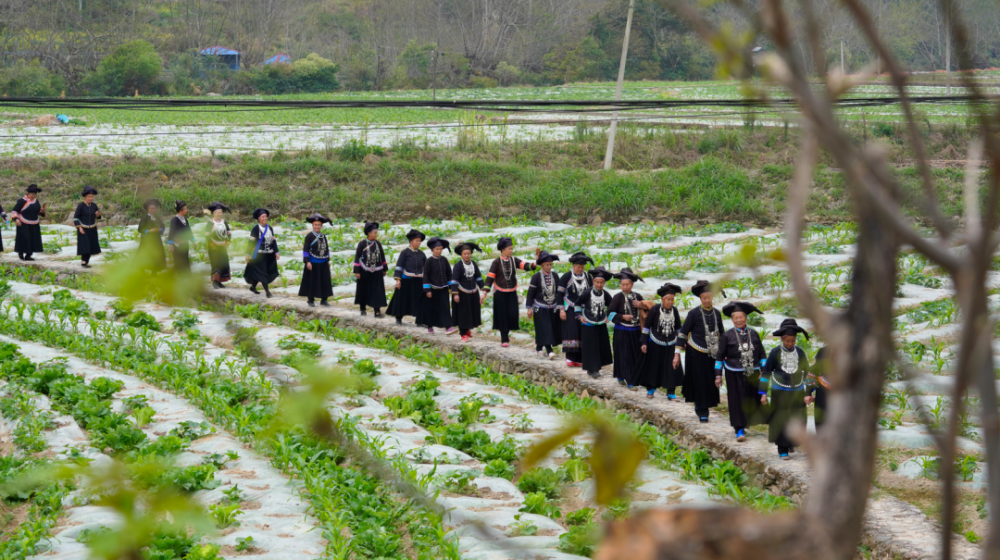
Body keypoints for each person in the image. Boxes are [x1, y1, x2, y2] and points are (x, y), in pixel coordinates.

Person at [760, 319, 812, 458]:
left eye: (792, 341)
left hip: (797, 392)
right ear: (782, 339)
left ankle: (791, 442)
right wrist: (763, 393)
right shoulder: (775, 353)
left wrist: (809, 392)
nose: (790, 343)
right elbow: (766, 373)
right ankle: (782, 449)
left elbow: (807, 372)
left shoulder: (800, 353)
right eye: (787, 341)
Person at [717, 301, 767, 442]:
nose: (739, 320)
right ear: (732, 319)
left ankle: (749, 423)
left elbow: (762, 353)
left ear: (746, 318)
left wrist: (764, 370)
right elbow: (719, 356)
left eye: (741, 317)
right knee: (736, 400)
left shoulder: (754, 334)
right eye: (736, 318)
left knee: (752, 398)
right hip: (734, 372)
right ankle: (739, 429)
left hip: (753, 371)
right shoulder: (727, 336)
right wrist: (718, 375)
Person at [677, 280, 724, 423]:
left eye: (709, 297)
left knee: (710, 379)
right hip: (695, 351)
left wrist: (725, 351)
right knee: (699, 380)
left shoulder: (717, 313)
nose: (707, 300)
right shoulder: (693, 313)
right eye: (704, 298)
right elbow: (683, 332)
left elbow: (722, 333)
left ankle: (706, 404)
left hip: (712, 352)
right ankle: (701, 408)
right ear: (700, 299)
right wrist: (677, 352)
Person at [482, 237, 537, 347]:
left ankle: (506, 334)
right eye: (509, 249)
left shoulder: (514, 260)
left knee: (512, 314)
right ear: (503, 249)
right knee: (502, 315)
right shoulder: (496, 262)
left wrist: (535, 263)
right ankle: (504, 339)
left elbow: (526, 266)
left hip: (511, 291)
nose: (511, 251)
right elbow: (490, 277)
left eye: (512, 248)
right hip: (500, 292)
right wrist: (485, 292)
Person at [636, 283, 684, 400]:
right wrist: (644, 342)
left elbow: (678, 328)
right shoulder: (654, 310)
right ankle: (651, 390)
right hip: (655, 343)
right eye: (668, 299)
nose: (671, 302)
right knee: (653, 367)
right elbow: (647, 327)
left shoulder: (674, 311)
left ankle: (671, 392)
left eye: (672, 299)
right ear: (662, 299)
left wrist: (682, 342)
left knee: (672, 367)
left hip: (671, 343)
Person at [575, 266, 614, 379]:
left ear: (604, 283)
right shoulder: (587, 292)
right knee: (590, 347)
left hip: (600, 323)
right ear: (593, 282)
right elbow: (577, 304)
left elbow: (612, 306)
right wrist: (579, 316)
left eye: (601, 282)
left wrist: (609, 317)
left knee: (599, 346)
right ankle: (592, 369)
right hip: (588, 323)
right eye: (597, 282)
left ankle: (596, 367)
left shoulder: (605, 294)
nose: (599, 285)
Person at [610, 267, 645, 389]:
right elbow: (609, 313)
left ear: (632, 284)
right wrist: (622, 316)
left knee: (634, 355)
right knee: (623, 354)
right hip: (622, 331)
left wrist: (642, 305)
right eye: (623, 284)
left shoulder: (638, 296)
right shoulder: (617, 297)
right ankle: (627, 379)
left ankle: (631, 377)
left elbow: (647, 311)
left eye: (627, 284)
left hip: (635, 331)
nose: (625, 287)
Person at [526, 251, 563, 359]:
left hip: (553, 307)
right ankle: (549, 350)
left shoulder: (555, 276)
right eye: (547, 265)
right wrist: (529, 308)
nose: (549, 267)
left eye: (551, 264)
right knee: (545, 328)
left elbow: (559, 292)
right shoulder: (536, 277)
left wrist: (561, 306)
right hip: (540, 307)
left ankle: (539, 348)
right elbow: (531, 293)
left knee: (549, 328)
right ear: (542, 265)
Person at [559, 252, 593, 367]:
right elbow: (559, 294)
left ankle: (579, 359)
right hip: (570, 308)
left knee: (581, 332)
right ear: (573, 266)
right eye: (578, 267)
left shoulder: (587, 277)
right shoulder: (566, 277)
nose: (580, 269)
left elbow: (591, 293)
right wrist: (561, 310)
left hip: (583, 309)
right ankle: (570, 357)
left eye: (582, 267)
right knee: (571, 331)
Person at [388, 229, 427, 325]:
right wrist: (398, 280)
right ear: (411, 241)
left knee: (420, 300)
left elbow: (426, 268)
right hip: (406, 280)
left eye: (419, 241)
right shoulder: (404, 253)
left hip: (418, 281)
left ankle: (420, 321)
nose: (418, 243)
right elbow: (399, 266)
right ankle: (399, 318)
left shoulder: (422, 254)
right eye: (416, 241)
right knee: (402, 299)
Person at [419, 237, 457, 334]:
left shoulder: (444, 260)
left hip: (443, 288)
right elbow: (426, 276)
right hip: (432, 289)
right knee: (432, 308)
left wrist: (451, 287)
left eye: (440, 249)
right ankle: (430, 326)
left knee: (445, 307)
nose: (439, 251)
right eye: (437, 249)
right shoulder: (429, 261)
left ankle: (448, 326)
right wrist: (427, 290)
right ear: (432, 250)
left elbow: (449, 274)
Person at [451, 242, 485, 342]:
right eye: (465, 254)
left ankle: (468, 329)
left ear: (471, 254)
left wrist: (483, 288)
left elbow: (478, 277)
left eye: (468, 253)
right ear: (461, 255)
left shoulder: (473, 264)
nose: (467, 255)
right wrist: (455, 294)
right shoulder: (458, 266)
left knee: (472, 312)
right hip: (462, 292)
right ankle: (463, 333)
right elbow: (454, 280)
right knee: (463, 313)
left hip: (473, 292)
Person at [243, 209, 280, 297]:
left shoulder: (270, 228)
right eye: (263, 217)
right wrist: (247, 254)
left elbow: (273, 242)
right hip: (259, 255)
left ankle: (253, 287)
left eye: (266, 216)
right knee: (263, 273)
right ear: (258, 219)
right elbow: (251, 242)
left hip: (269, 255)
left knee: (264, 272)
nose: (265, 218)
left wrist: (276, 252)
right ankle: (267, 292)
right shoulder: (255, 229)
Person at [354, 221, 387, 317]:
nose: (376, 234)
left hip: (377, 270)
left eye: (376, 232)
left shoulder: (378, 244)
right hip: (365, 270)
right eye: (374, 233)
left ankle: (377, 311)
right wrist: (357, 271)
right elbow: (357, 257)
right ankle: (362, 309)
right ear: (369, 233)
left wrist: (384, 269)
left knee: (377, 290)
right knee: (363, 289)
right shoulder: (362, 244)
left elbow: (382, 257)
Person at [299, 213, 333, 307]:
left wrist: (327, 260)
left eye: (319, 225)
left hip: (323, 261)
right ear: (312, 225)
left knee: (324, 281)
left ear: (321, 226)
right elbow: (306, 249)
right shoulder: (309, 236)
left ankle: (324, 299)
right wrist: (307, 261)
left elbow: (326, 248)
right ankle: (310, 300)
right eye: (315, 225)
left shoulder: (323, 236)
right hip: (313, 262)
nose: (317, 226)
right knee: (312, 281)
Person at [11, 184, 46, 261]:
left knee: (33, 239)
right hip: (23, 223)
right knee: (24, 238)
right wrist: (16, 219)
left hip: (34, 223)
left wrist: (42, 211)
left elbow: (38, 212)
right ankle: (21, 253)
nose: (34, 196)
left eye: (35, 194)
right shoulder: (22, 201)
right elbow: (14, 211)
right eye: (32, 194)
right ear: (28, 193)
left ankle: (28, 255)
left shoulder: (36, 201)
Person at [205, 202, 232, 289]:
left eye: (221, 212)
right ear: (214, 213)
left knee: (223, 263)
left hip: (222, 247)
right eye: (218, 212)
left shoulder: (224, 222)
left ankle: (220, 282)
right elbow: (207, 235)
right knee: (215, 263)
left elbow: (229, 233)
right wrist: (211, 244)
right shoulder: (210, 223)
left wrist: (227, 243)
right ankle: (215, 282)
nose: (219, 214)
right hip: (214, 248)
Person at [74, 186, 101, 268]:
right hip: (83, 228)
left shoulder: (94, 206)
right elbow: (76, 218)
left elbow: (98, 217)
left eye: (92, 197)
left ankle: (86, 261)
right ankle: (83, 261)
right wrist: (79, 227)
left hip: (92, 228)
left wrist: (98, 215)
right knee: (85, 245)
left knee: (91, 245)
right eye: (89, 197)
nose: (91, 198)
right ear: (85, 197)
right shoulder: (81, 206)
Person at [137, 199, 166, 273]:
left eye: (154, 208)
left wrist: (159, 229)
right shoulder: (145, 218)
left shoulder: (157, 217)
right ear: (148, 209)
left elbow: (163, 226)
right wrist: (149, 231)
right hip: (147, 240)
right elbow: (140, 229)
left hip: (156, 240)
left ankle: (155, 271)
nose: (153, 210)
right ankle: (143, 270)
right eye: (151, 208)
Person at [167, 201, 193, 274]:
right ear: (181, 209)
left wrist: (193, 241)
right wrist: (171, 246)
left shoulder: (185, 220)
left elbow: (188, 231)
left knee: (186, 261)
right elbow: (171, 232)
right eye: (185, 209)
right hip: (177, 245)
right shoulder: (174, 220)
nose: (186, 210)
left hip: (185, 245)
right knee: (178, 262)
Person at [809, 346, 829, 430]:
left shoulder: (850, 351)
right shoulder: (824, 350)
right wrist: (808, 392)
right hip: (823, 393)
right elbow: (814, 371)